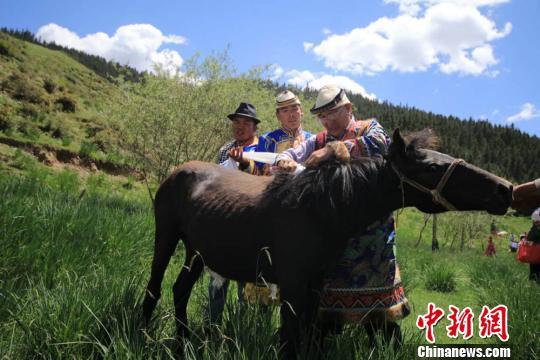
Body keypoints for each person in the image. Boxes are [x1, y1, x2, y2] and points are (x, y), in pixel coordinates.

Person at [276, 85, 406, 345]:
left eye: (332, 113)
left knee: (379, 310)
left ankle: (386, 348)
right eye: (322, 116)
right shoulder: (319, 139)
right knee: (329, 300)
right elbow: (295, 153)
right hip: (334, 236)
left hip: (372, 237)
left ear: (348, 109)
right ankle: (325, 346)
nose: (326, 121)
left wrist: (335, 150)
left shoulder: (369, 128)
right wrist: (284, 159)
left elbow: (380, 146)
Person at [205, 102, 261, 325]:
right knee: (217, 280)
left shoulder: (263, 149)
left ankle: (243, 331)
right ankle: (211, 327)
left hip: (252, 226)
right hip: (222, 224)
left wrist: (245, 164)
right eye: (236, 122)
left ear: (255, 127)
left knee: (247, 284)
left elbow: (265, 180)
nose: (240, 126)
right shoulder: (224, 149)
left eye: (246, 122)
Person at [255, 90, 312, 174]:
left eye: (294, 109)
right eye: (285, 111)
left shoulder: (313, 139)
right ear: (278, 116)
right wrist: (271, 170)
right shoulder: (267, 140)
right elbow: (259, 171)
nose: (291, 115)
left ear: (301, 111)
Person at [526, 207, 540, 282]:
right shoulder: (535, 229)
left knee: (535, 268)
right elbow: (529, 238)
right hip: (535, 252)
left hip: (536, 252)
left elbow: (530, 238)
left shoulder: (535, 229)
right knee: (534, 268)